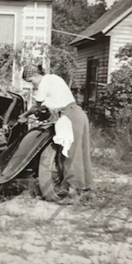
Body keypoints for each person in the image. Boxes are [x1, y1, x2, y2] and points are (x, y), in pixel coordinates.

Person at [18, 65, 92, 203]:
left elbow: (38, 106)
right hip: (78, 113)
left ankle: (73, 194)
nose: (32, 85)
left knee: (67, 154)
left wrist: (24, 115)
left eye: (31, 81)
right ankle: (86, 189)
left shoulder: (44, 82)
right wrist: (28, 114)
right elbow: (49, 104)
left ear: (36, 75)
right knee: (81, 152)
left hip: (69, 117)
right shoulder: (54, 79)